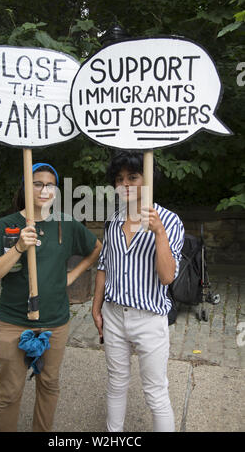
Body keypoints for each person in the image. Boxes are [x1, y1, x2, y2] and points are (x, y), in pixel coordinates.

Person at [0, 162, 102, 432]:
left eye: (50, 184)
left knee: (49, 385)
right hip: (13, 321)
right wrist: (18, 247)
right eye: (37, 183)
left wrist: (71, 276)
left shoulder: (66, 223)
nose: (45, 189)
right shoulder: (7, 225)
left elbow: (96, 249)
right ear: (26, 186)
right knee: (10, 393)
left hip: (55, 322)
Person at [92, 151, 185, 432]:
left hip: (149, 319)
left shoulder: (169, 221)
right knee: (116, 382)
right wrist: (96, 307)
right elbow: (104, 265)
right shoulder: (113, 221)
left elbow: (167, 276)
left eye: (133, 177)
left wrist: (159, 233)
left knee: (155, 391)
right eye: (119, 179)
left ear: (148, 179)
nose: (125, 185)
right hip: (114, 315)